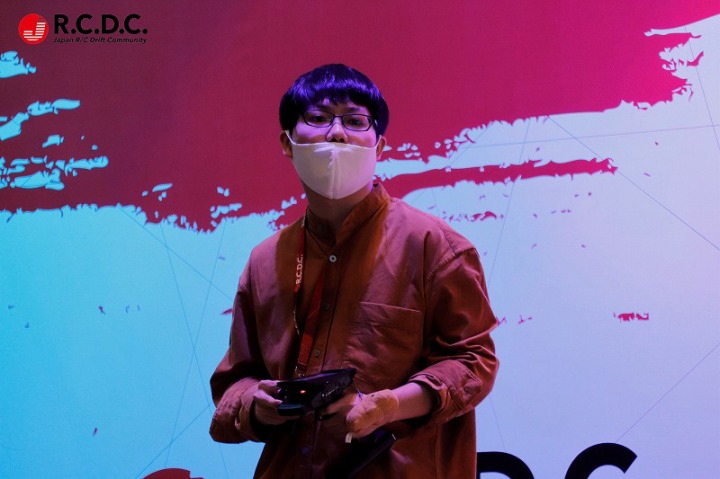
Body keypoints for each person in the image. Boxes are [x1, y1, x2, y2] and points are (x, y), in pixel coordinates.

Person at [209, 64, 498, 478]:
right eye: (318, 118)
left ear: (380, 145)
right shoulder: (264, 261)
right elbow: (233, 382)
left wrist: (388, 405)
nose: (337, 133)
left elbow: (473, 361)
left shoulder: (434, 246)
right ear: (288, 142)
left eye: (355, 121)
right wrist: (256, 403)